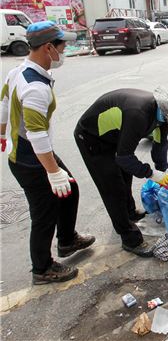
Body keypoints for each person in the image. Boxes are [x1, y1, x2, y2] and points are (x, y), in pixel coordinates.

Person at [0, 21, 95, 285]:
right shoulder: (35, 86)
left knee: (70, 189)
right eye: (63, 46)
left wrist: (1, 132)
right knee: (44, 216)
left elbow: (4, 102)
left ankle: (66, 241)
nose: (65, 51)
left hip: (34, 155)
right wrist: (53, 172)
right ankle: (42, 269)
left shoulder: (19, 72)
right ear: (48, 47)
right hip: (31, 161)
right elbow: (36, 133)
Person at [74, 87, 168, 257]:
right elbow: (124, 158)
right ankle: (130, 239)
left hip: (115, 137)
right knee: (113, 188)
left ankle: (129, 213)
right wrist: (152, 174)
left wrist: (162, 170)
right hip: (92, 137)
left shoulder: (162, 116)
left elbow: (160, 144)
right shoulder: (138, 114)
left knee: (126, 177)